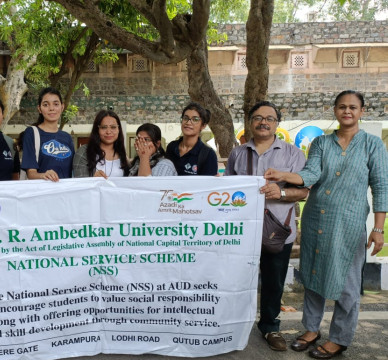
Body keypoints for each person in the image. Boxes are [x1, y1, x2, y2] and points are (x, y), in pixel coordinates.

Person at [265, 90, 388, 359]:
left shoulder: (373, 145)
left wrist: (378, 229)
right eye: (342, 107)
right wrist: (283, 175)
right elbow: (311, 174)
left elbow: (381, 187)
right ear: (334, 110)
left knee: (347, 281)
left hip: (349, 223)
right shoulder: (321, 143)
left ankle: (340, 338)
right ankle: (311, 329)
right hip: (316, 218)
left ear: (361, 111)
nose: (347, 111)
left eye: (353, 107)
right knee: (312, 275)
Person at [225, 101, 308, 351]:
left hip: (277, 231)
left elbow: (303, 191)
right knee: (237, 281)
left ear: (276, 124)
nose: (264, 122)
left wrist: (280, 193)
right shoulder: (238, 153)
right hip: (242, 231)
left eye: (269, 118)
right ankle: (233, 325)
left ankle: (270, 327)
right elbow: (228, 189)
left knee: (274, 281)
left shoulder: (293, 154)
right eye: (258, 118)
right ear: (250, 122)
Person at [22, 87, 74, 181]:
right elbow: (31, 173)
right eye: (46, 105)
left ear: (62, 107)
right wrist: (44, 175)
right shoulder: (32, 133)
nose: (51, 108)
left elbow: (74, 171)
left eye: (56, 104)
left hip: (65, 193)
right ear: (39, 109)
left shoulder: (67, 137)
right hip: (43, 193)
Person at [166, 102, 218, 176]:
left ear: (203, 126)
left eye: (195, 119)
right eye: (185, 118)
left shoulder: (208, 154)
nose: (188, 122)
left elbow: (208, 186)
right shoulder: (172, 147)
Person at [73, 110, 129, 178]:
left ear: (118, 129)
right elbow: (79, 183)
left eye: (113, 127)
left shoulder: (122, 154)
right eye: (104, 127)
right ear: (97, 130)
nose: (108, 132)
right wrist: (93, 179)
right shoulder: (84, 152)